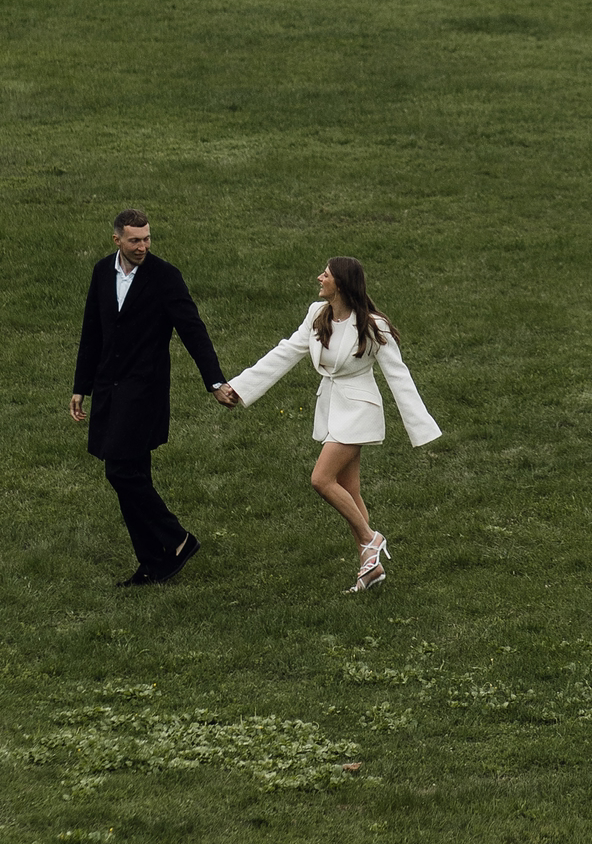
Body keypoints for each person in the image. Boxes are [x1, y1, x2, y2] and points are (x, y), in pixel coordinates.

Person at [222, 257, 440, 592]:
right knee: (349, 490)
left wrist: (420, 426)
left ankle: (371, 538)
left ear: (341, 283)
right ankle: (370, 566)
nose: (319, 278)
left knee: (321, 479)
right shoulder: (317, 314)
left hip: (359, 411)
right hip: (332, 409)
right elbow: (285, 353)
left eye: (325, 274)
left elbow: (398, 375)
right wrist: (240, 387)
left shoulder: (372, 324)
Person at [71, 209, 230, 587]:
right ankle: (152, 563)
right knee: (134, 475)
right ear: (117, 241)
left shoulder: (164, 277)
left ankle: (177, 539)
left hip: (144, 394)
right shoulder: (101, 272)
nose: (142, 246)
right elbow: (92, 331)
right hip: (109, 391)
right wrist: (81, 386)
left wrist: (214, 381)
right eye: (134, 240)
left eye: (146, 239)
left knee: (120, 471)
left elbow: (192, 329)